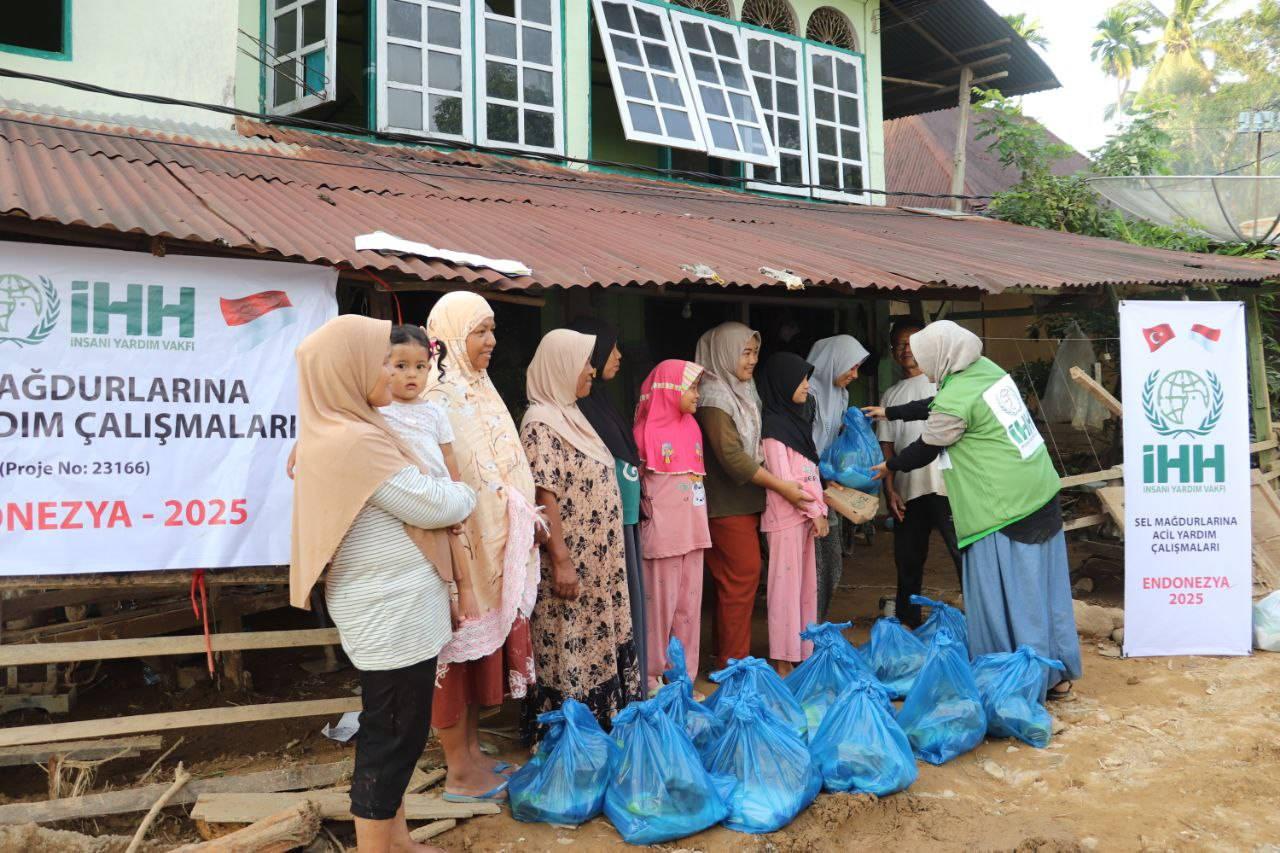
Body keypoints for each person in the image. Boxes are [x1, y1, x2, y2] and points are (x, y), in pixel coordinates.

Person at [289, 315, 476, 852]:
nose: (388, 373)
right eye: (378, 362)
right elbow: (436, 502)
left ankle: (398, 842)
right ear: (346, 369)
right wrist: (466, 495)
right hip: (389, 612)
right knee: (390, 738)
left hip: (395, 607)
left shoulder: (353, 428)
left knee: (400, 733)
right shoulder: (354, 441)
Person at [865, 320, 1082, 697]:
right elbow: (937, 404)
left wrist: (890, 466)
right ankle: (1056, 672)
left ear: (942, 354)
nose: (922, 365)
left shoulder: (958, 397)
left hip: (1003, 508)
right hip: (1038, 491)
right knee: (1043, 593)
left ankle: (1017, 683)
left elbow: (928, 446)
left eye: (924, 357)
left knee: (1012, 598)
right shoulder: (986, 371)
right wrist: (892, 413)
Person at [424, 292, 541, 803]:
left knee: (477, 658)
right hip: (459, 550)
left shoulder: (481, 388)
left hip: (490, 549)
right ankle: (458, 771)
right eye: (480, 331)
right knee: (456, 654)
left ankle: (471, 756)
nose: (491, 341)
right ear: (452, 335)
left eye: (492, 330)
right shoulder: (434, 396)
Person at [520, 328, 642, 734]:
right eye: (584, 362)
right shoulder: (540, 423)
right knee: (571, 643)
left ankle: (602, 725)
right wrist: (561, 560)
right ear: (561, 366)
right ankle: (572, 735)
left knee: (597, 641)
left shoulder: (572, 416)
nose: (591, 370)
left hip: (599, 564)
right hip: (571, 563)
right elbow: (545, 495)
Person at [694, 322, 812, 668]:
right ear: (723, 354)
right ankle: (734, 663)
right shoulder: (714, 399)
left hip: (742, 501)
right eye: (744, 353)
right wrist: (781, 485)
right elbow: (733, 458)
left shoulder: (742, 390)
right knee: (743, 576)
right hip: (725, 503)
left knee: (733, 580)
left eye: (755, 352)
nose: (752, 360)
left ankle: (725, 655)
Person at [568, 317, 648, 683]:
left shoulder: (601, 401)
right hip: (603, 525)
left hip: (623, 517)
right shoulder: (580, 409)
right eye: (611, 348)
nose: (618, 356)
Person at [876, 318, 963, 628]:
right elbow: (887, 448)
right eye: (899, 345)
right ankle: (907, 623)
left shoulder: (943, 383)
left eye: (911, 343)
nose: (905, 350)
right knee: (908, 561)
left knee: (963, 557)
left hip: (949, 487)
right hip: (908, 490)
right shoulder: (890, 395)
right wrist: (890, 491)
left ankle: (981, 623)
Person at [633, 359, 710, 693]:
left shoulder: (693, 427)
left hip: (694, 534)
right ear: (668, 390)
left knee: (688, 610)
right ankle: (651, 678)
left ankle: (682, 679)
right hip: (662, 538)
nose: (697, 394)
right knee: (658, 612)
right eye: (691, 387)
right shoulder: (643, 433)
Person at [758, 352, 828, 674]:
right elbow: (786, 481)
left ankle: (803, 650)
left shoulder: (797, 423)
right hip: (786, 519)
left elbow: (810, 473)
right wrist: (816, 511)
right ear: (783, 382)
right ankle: (783, 658)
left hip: (805, 518)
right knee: (785, 591)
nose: (807, 386)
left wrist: (819, 509)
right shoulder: (773, 428)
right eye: (801, 380)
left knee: (805, 589)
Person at [806, 334, 870, 621]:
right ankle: (807, 629)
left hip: (828, 484)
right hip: (804, 487)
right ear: (834, 362)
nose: (855, 375)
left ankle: (818, 623)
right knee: (813, 564)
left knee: (831, 562)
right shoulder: (806, 394)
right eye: (851, 366)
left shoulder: (841, 395)